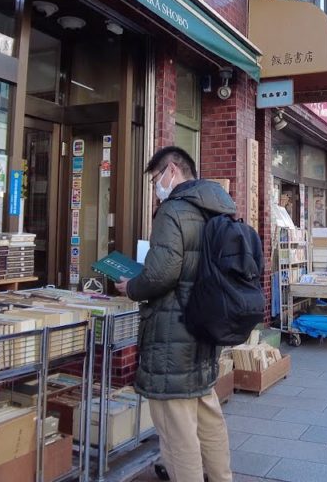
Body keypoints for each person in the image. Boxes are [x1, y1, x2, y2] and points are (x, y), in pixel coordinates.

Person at [114, 146, 234, 482]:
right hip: (205, 328)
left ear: (172, 170)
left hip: (172, 332)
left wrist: (131, 286)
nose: (156, 187)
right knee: (208, 416)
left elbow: (160, 274)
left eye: (156, 178)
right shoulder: (219, 207)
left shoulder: (173, 211)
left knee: (177, 430)